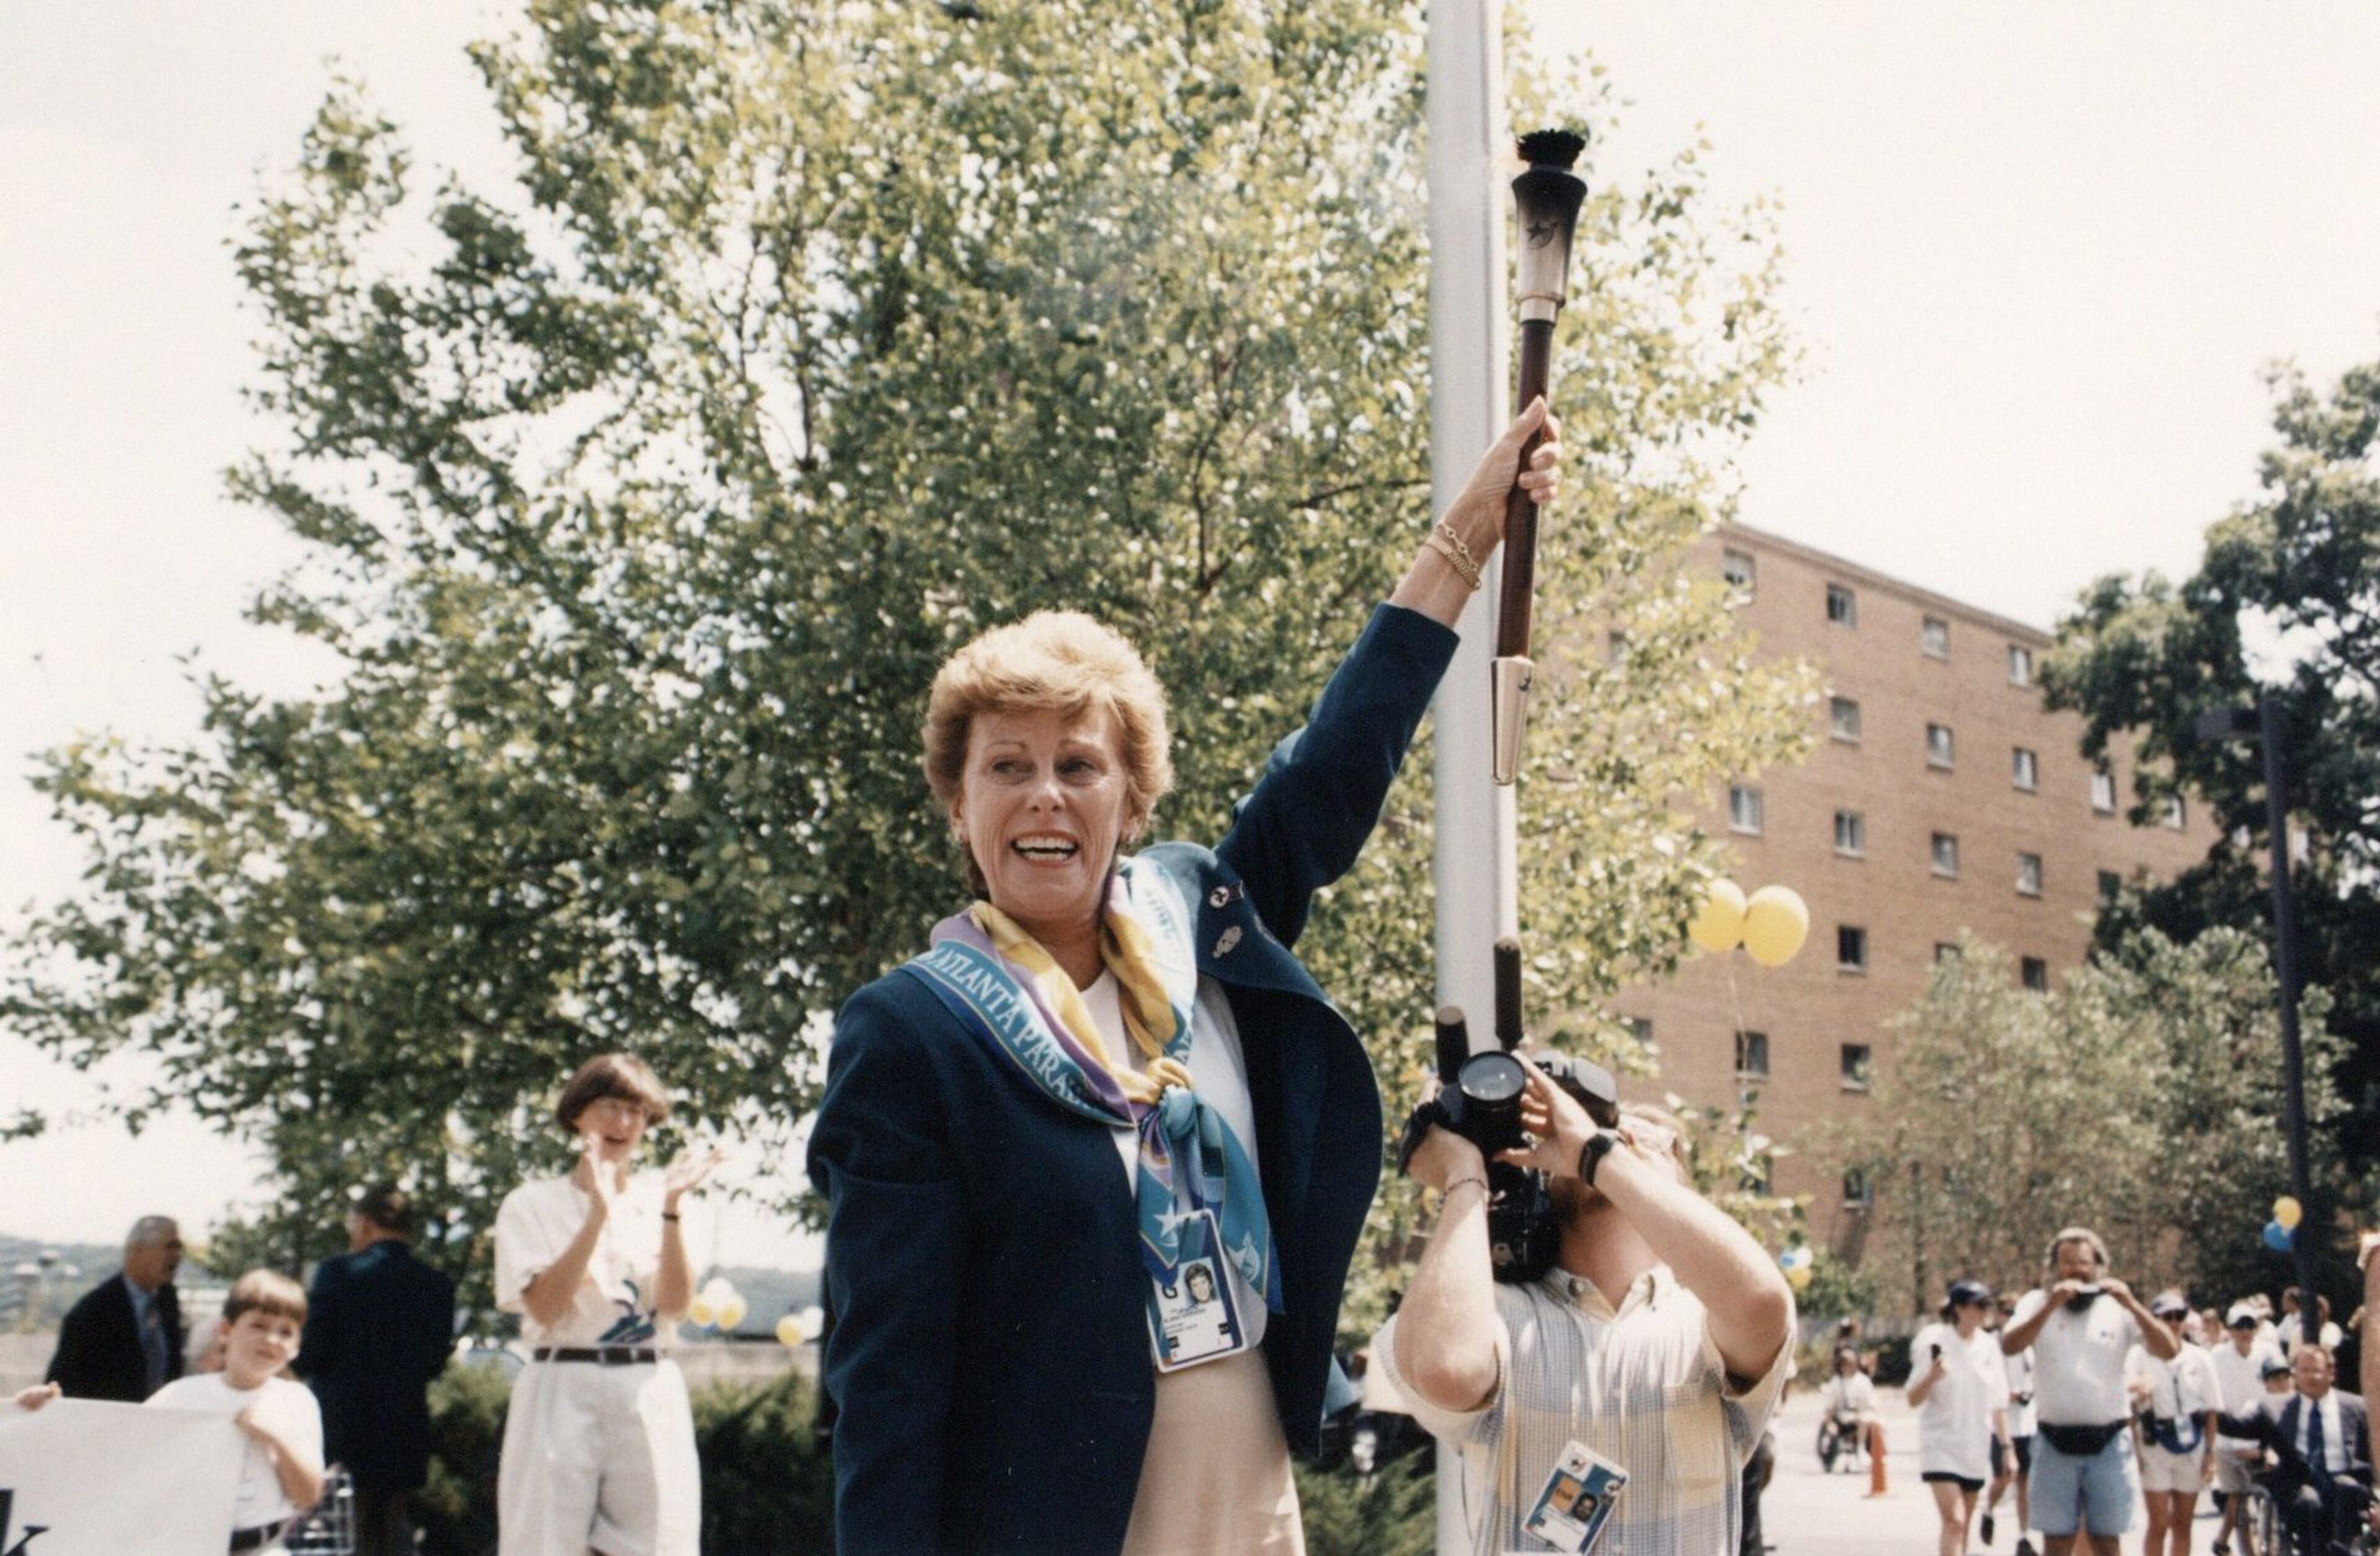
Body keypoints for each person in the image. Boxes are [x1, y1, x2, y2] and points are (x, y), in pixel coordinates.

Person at [805, 401, 1563, 1556]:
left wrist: (1464, 542)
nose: (1045, 793)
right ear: (959, 807)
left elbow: (1333, 767)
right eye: (1006, 766)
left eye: (1080, 765)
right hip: (1057, 1519)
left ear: (1132, 801)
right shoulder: (911, 1030)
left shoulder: (1196, 923)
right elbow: (887, 1377)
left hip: (1249, 1473)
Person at [1373, 1059, 1795, 1556]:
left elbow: (1763, 1305)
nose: (1607, 1139)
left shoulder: (1703, 1321)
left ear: (1679, 1188)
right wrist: (1465, 1173)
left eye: (1638, 1138)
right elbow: (1448, 1370)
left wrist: (1601, 1156)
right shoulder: (1500, 1315)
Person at [493, 1053, 723, 1556]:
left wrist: (671, 1210)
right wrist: (596, 1215)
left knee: (659, 1538)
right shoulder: (530, 1204)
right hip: (562, 1378)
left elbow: (674, 1305)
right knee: (543, 1539)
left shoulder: (665, 1199)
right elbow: (546, 1309)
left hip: (646, 1380)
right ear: (578, 1111)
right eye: (611, 1106)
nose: (623, 1123)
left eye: (637, 1112)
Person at [17, 1268, 327, 1554]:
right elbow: (114, 1449)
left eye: (285, 1332)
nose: (271, 1339)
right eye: (258, 1325)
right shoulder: (181, 1395)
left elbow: (308, 1494)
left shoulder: (297, 1401)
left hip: (263, 1547)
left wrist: (275, 1438)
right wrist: (49, 1412)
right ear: (226, 1329)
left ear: (298, 1344)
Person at [293, 1183, 459, 1556]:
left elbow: (312, 1353)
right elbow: (434, 1362)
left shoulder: (337, 1273)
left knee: (337, 1541)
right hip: (402, 1432)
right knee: (389, 1539)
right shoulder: (436, 1285)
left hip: (340, 1433)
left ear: (364, 1223)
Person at [1998, 1226, 2180, 1556]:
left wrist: (2133, 1304)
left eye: (2083, 1262)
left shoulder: (2117, 1307)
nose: (2075, 1271)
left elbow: (2169, 1350)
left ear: (2099, 1265)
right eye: (2066, 1263)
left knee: (2107, 1542)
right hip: (2054, 1441)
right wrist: (2050, 1307)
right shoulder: (2037, 1302)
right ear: (2054, 1268)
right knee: (2056, 1544)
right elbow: (2010, 1345)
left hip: (2108, 1442)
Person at [2215, 1345, 2371, 1556]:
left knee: (2346, 1487)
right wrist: (2205, 1407)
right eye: (2303, 1371)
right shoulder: (2276, 1408)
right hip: (2299, 1484)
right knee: (2308, 1500)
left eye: (2316, 1371)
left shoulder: (2356, 1407)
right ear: (2295, 1375)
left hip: (2343, 1483)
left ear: (2331, 1373)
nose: (2310, 1377)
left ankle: (2340, 1551)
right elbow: (2235, 1426)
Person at [1910, 1280, 2012, 1556]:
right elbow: (1912, 1398)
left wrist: (2007, 1449)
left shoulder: (1989, 1346)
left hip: (1974, 1445)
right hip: (1941, 1444)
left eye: (1986, 1305)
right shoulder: (1936, 1342)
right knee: (1954, 1521)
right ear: (1959, 1308)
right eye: (1978, 1305)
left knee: (1964, 1525)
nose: (1984, 1311)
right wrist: (1932, 1376)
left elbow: (1999, 1402)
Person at [43, 1214, 185, 1402]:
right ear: (137, 1251)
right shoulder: (93, 1312)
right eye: (170, 1246)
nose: (177, 1255)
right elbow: (62, 1385)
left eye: (179, 1248)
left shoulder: (168, 1301)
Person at [2131, 1292, 2222, 1556]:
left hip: (2191, 1441)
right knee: (2159, 1523)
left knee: (2183, 1523)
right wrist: (2135, 1451)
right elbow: (2129, 1408)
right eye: (2166, 1317)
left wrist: (2210, 1453)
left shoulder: (2200, 1358)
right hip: (2155, 1443)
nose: (2173, 1323)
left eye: (2178, 1316)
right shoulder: (2139, 1356)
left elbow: (2211, 1411)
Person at [2212, 1302, 2286, 1556]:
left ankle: (2223, 1540)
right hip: (2229, 1436)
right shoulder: (2217, 1357)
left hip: (2262, 1437)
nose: (2245, 1332)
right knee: (2237, 1497)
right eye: (2239, 1326)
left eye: (2250, 1325)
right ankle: (2240, 1547)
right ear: (2230, 1330)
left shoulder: (2268, 1352)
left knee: (2263, 1496)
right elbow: (2212, 1399)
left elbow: (2281, 1387)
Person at [1985, 1290, 2041, 1556]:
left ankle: (2024, 1536)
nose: (2009, 1318)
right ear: (1998, 1315)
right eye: (2006, 1312)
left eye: (2014, 1313)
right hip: (2002, 1422)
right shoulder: (1993, 1344)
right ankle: (1988, 1508)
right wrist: (2007, 1395)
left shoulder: (2029, 1345)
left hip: (2027, 1421)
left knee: (2025, 1481)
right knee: (2005, 1476)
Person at [1821, 1345, 1888, 1495]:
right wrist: (1829, 1423)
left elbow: (1872, 1404)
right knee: (1842, 1425)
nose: (1848, 1367)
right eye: (1845, 1364)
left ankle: (1861, 1448)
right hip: (1842, 1417)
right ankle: (1839, 1455)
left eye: (1851, 1363)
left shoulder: (1863, 1381)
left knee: (1868, 1421)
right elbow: (1829, 1407)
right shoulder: (1836, 1382)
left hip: (1861, 1416)